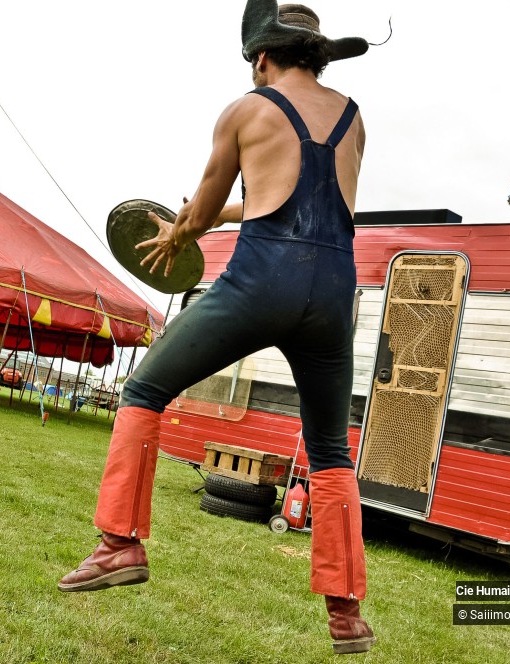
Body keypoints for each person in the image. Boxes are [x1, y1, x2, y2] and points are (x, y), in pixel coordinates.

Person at [58, 2, 376, 655]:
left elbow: (204, 208)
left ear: (262, 56)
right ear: (315, 55)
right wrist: (213, 215)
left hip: (262, 281)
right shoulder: (353, 118)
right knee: (331, 452)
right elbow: (295, 193)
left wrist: (181, 229)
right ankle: (346, 613)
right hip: (334, 289)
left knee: (143, 391)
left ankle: (120, 544)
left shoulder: (245, 109)